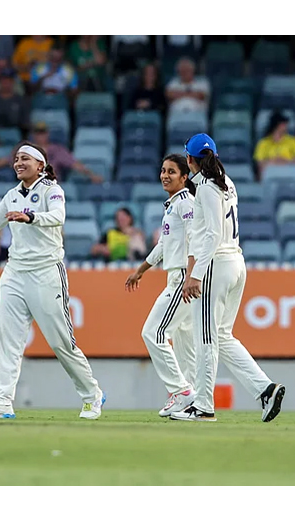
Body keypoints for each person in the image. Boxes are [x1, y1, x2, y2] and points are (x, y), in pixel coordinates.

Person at [0, 142, 105, 420]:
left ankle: (92, 394)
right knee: (8, 340)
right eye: (16, 158)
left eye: (25, 158)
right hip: (14, 273)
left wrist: (29, 217)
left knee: (61, 342)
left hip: (46, 271)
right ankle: (2, 401)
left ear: (41, 165)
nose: (18, 163)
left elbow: (58, 217)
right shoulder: (12, 194)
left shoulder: (52, 189)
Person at [173, 133, 285, 422]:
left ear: (189, 159)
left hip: (216, 265)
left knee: (205, 339)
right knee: (221, 336)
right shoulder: (226, 182)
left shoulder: (207, 187)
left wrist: (196, 274)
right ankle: (265, 389)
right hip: (235, 262)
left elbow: (212, 235)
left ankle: (203, 406)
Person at [125, 154, 197, 417]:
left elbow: (195, 238)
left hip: (183, 278)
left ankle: (181, 392)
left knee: (153, 333)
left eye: (172, 172)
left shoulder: (186, 203)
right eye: (163, 170)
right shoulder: (173, 204)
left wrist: (191, 276)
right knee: (185, 343)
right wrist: (141, 270)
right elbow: (164, 245)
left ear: (184, 177)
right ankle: (193, 400)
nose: (165, 176)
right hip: (180, 275)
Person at [0, 121, 103, 183]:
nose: (40, 136)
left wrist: (91, 175)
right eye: (37, 133)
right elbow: (6, 160)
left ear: (47, 134)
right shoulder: (26, 149)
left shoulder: (57, 149)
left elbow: (74, 164)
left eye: (42, 133)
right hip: (28, 187)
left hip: (50, 187)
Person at [253, 111, 295, 177]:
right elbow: (259, 164)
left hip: (289, 173)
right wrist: (274, 161)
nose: (286, 126)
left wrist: (286, 161)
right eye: (283, 124)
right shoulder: (263, 143)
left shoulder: (293, 141)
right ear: (276, 125)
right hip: (271, 175)